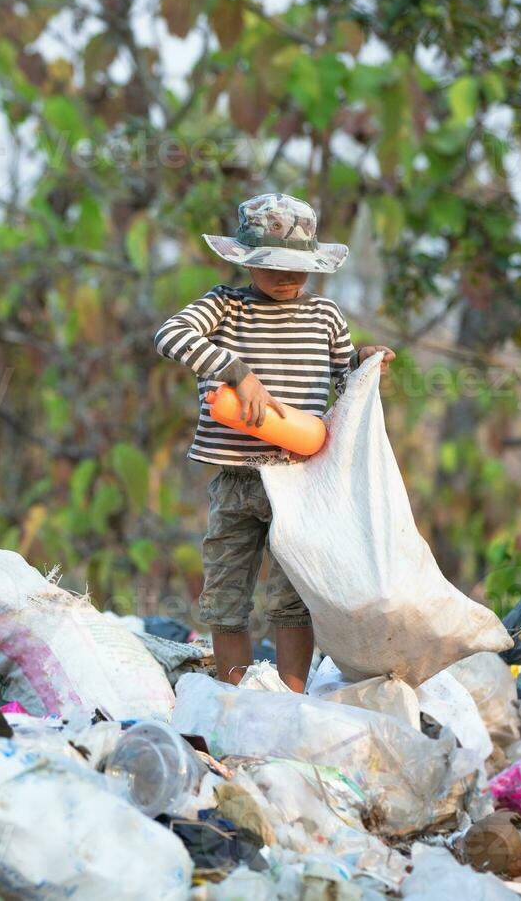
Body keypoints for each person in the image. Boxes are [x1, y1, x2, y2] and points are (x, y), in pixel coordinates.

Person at [153, 193, 395, 691]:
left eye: (298, 268)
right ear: (244, 261)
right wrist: (235, 371)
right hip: (236, 478)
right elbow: (170, 335)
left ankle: (291, 699)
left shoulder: (325, 316)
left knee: (292, 599)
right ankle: (236, 697)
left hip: (300, 483)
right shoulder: (225, 305)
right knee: (225, 598)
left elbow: (342, 383)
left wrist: (364, 363)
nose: (287, 277)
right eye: (273, 266)